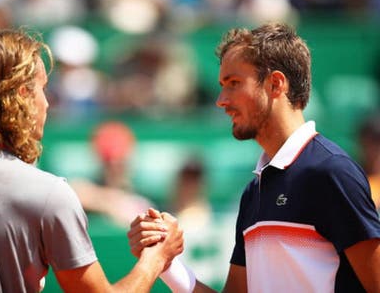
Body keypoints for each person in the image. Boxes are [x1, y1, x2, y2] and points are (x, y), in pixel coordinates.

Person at [0, 29, 184, 292]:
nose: (46, 103)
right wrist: (156, 259)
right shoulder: (49, 194)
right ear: (22, 94)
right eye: (42, 89)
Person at [128, 22, 380, 292]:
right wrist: (165, 262)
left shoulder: (331, 172)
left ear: (275, 84)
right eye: (222, 85)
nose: (221, 100)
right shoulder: (254, 192)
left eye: (234, 83)